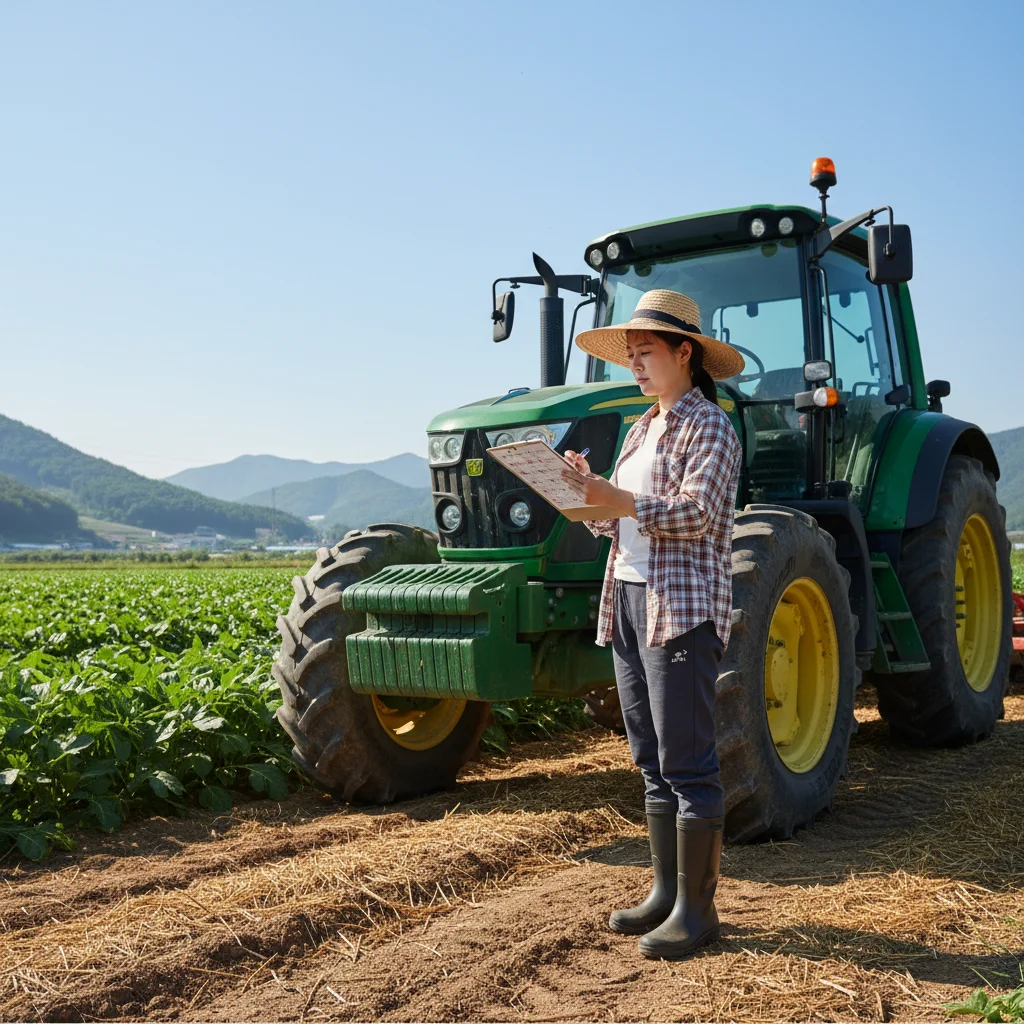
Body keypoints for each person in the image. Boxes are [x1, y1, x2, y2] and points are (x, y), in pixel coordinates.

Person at [562, 288, 744, 961]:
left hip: (681, 607)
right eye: (630, 356)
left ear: (685, 353)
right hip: (630, 601)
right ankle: (665, 895)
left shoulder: (710, 428)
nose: (635, 365)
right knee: (650, 761)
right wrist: (584, 492)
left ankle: (699, 912)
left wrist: (623, 499)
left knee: (688, 762)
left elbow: (697, 513)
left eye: (645, 354)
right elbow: (619, 523)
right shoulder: (642, 429)